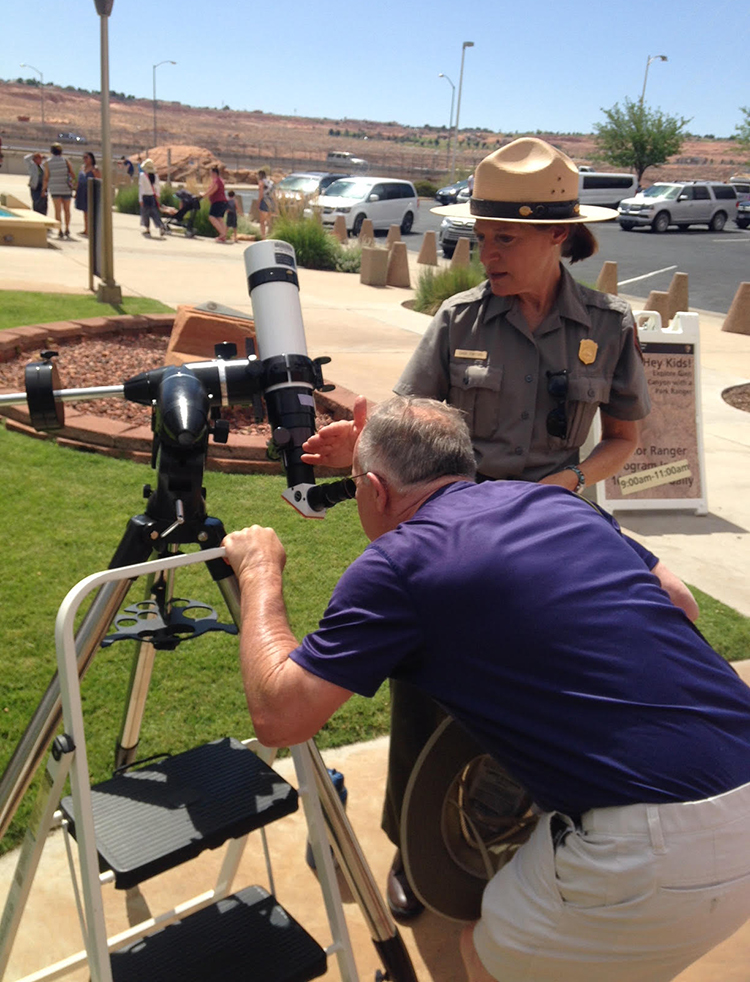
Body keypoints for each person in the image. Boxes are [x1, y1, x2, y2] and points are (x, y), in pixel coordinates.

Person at [224, 396, 750, 982]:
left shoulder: (398, 562)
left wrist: (259, 571)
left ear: (373, 489)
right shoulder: (555, 501)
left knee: (480, 953)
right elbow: (682, 602)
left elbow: (280, 715)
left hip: (653, 852)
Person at [302, 136, 653, 919]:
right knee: (428, 697)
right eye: (480, 232)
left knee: (548, 702)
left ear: (558, 236)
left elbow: (625, 438)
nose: (482, 250)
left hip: (554, 540)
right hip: (455, 543)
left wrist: (569, 480)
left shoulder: (606, 322)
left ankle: (517, 842)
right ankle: (412, 851)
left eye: (505, 237)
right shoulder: (459, 320)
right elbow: (400, 421)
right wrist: (352, 451)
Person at [42, 142, 75, 240]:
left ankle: (59, 230)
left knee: (57, 210)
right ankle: (67, 228)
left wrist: (44, 189)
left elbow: (46, 177)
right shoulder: (66, 161)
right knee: (67, 210)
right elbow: (72, 174)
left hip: (55, 188)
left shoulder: (48, 162)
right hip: (66, 188)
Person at [74, 151, 101, 236]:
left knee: (91, 212)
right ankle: (86, 229)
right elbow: (79, 180)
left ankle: (92, 230)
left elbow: (99, 181)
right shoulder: (82, 168)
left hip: (90, 192)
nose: (85, 159)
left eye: (86, 157)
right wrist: (76, 191)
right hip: (82, 191)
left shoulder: (94, 169)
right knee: (85, 212)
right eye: (84, 157)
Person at [138, 158, 165, 238]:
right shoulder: (155, 176)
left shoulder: (142, 176)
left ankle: (147, 229)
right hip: (152, 196)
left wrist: (140, 199)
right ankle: (160, 226)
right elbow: (157, 187)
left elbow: (141, 188)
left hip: (145, 197)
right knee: (155, 213)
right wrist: (157, 195)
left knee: (145, 214)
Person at [203, 165, 228, 242]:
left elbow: (213, 190)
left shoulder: (216, 181)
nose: (210, 175)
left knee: (212, 217)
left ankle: (222, 233)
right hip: (222, 202)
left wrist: (204, 195)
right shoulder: (220, 180)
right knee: (219, 219)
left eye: (211, 173)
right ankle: (223, 236)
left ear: (214, 173)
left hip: (218, 202)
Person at [257, 168, 275, 238]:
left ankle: (263, 236)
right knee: (269, 221)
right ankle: (270, 235)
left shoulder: (261, 182)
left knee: (262, 221)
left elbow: (261, 194)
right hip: (271, 201)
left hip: (264, 201)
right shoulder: (271, 182)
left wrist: (258, 202)